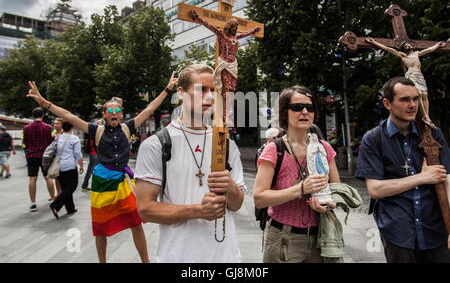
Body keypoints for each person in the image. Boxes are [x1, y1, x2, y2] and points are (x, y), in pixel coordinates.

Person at [26, 71, 177, 263]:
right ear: (104, 114)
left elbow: (149, 109)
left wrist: (167, 88)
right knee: (100, 227)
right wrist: (43, 102)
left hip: (123, 183)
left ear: (121, 114)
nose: (114, 114)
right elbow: (68, 116)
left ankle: (145, 262)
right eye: (110, 111)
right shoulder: (95, 130)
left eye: (117, 111)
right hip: (102, 183)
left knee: (136, 223)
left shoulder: (127, 127)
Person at [134, 64, 246, 262]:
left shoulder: (225, 144)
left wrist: (230, 188)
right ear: (180, 93)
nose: (210, 97)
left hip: (226, 257)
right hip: (178, 256)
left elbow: (236, 205)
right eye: (201, 89)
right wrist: (198, 211)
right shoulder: (156, 144)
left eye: (213, 90)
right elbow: (145, 209)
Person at [356, 76, 450, 263]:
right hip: (398, 232)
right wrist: (422, 178)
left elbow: (447, 179)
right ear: (387, 103)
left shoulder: (432, 134)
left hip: (435, 230)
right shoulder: (374, 138)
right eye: (405, 99)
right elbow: (375, 189)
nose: (413, 105)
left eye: (415, 98)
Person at [253, 85, 340, 263]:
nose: (305, 112)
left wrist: (328, 203)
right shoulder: (274, 150)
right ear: (285, 112)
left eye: (310, 107)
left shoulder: (324, 149)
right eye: (297, 107)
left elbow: (337, 190)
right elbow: (259, 197)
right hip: (283, 238)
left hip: (320, 238)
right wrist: (301, 189)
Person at [189, 9, 260, 126]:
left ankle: (228, 115)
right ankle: (225, 116)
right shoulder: (222, 34)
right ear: (229, 26)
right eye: (234, 26)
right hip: (224, 64)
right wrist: (197, 18)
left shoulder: (235, 37)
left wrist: (253, 30)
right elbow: (209, 25)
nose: (236, 29)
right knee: (226, 89)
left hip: (233, 65)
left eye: (236, 27)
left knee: (232, 90)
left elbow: (245, 34)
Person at [366, 37, 446, 126]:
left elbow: (429, 50)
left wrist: (437, 45)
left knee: (424, 95)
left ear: (412, 46)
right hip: (411, 75)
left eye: (408, 44)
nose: (407, 46)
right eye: (405, 45)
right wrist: (374, 42)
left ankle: (426, 115)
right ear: (403, 48)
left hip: (419, 75)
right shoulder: (403, 56)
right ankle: (425, 116)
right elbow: (388, 49)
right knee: (418, 93)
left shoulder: (417, 54)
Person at [49, 121, 84, 219]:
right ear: (72, 128)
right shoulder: (74, 138)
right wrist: (81, 166)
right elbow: (78, 154)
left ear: (63, 128)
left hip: (59, 166)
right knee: (72, 187)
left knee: (65, 188)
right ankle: (55, 205)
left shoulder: (58, 137)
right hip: (70, 166)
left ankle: (70, 208)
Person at [23, 107, 55, 212]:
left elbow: (25, 142)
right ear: (43, 115)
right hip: (44, 155)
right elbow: (51, 142)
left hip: (31, 155)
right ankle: (53, 199)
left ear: (33, 115)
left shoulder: (26, 128)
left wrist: (28, 151)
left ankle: (33, 203)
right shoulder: (48, 127)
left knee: (32, 178)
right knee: (48, 177)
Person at [52, 117, 64, 196]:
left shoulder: (65, 133)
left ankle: (63, 193)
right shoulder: (53, 134)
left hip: (63, 159)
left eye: (57, 124)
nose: (55, 125)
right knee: (56, 177)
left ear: (62, 125)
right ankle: (58, 193)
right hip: (55, 158)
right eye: (54, 124)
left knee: (63, 177)